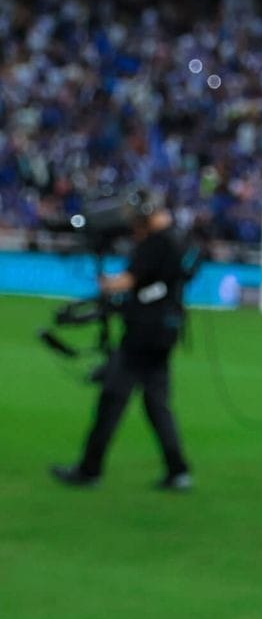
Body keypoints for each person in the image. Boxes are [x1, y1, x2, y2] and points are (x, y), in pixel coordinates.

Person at [51, 191, 193, 491]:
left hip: (142, 335)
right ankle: (178, 470)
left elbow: (129, 280)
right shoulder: (179, 240)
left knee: (112, 399)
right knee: (157, 404)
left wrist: (107, 284)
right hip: (165, 332)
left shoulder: (155, 243)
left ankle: (89, 470)